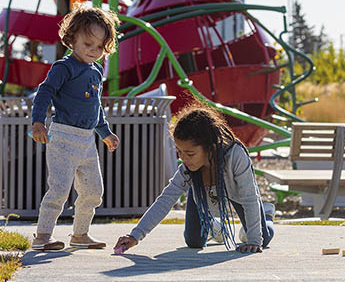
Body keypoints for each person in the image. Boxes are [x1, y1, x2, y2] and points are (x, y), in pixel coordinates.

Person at [113, 105, 274, 254]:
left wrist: (254, 239)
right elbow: (165, 200)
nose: (184, 159)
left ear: (211, 149)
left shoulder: (235, 155)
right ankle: (216, 229)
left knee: (262, 239)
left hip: (240, 197)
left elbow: (249, 198)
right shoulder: (188, 169)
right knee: (194, 241)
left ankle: (266, 215)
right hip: (204, 198)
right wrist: (135, 236)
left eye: (190, 154)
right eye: (179, 152)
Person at [30, 5, 121, 251]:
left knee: (93, 190)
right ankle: (42, 236)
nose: (93, 51)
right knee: (59, 188)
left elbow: (95, 106)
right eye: (88, 44)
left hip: (87, 141)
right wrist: (38, 120)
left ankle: (80, 234)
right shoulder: (64, 67)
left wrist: (105, 133)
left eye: (99, 47)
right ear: (72, 40)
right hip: (63, 137)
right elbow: (44, 91)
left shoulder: (96, 70)